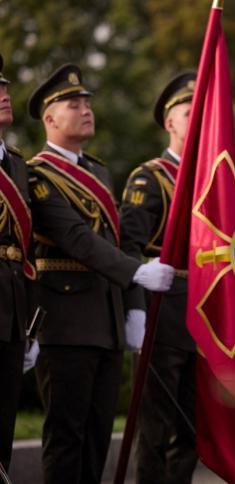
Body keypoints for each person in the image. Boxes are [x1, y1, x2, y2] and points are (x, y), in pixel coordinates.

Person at [26, 63, 174, 484]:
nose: (86, 110)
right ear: (50, 118)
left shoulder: (96, 170)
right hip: (66, 323)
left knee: (96, 438)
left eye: (87, 103)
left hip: (105, 322)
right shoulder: (38, 174)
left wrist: (132, 307)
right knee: (66, 438)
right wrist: (137, 274)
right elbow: (76, 238)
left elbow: (116, 241)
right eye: (74, 105)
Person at [119, 72, 198, 484]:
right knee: (154, 428)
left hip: (203, 317)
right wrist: (136, 309)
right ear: (170, 123)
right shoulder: (149, 177)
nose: (197, 119)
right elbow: (128, 248)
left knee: (193, 431)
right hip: (162, 313)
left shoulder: (212, 181)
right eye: (188, 112)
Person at [0, 52, 39, 473]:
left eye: (4, 85)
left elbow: (26, 251)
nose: (5, 93)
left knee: (3, 436)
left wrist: (31, 327)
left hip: (12, 315)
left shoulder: (16, 164)